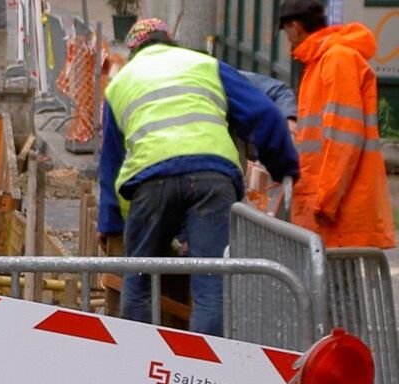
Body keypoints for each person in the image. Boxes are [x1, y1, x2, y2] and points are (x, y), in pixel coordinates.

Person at [99, 18, 299, 336]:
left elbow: (111, 165)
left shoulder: (121, 83)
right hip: (212, 179)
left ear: (134, 52)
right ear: (171, 41)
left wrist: (110, 226)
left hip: (150, 182)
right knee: (211, 288)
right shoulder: (204, 65)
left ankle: (135, 368)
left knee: (137, 284)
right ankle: (204, 375)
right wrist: (284, 166)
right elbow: (266, 113)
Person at [279, 0, 396, 248]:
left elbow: (344, 139)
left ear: (294, 27)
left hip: (339, 211)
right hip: (333, 207)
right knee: (333, 284)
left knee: (338, 285)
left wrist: (326, 202)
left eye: (286, 31)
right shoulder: (323, 61)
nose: (288, 40)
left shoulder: (335, 60)